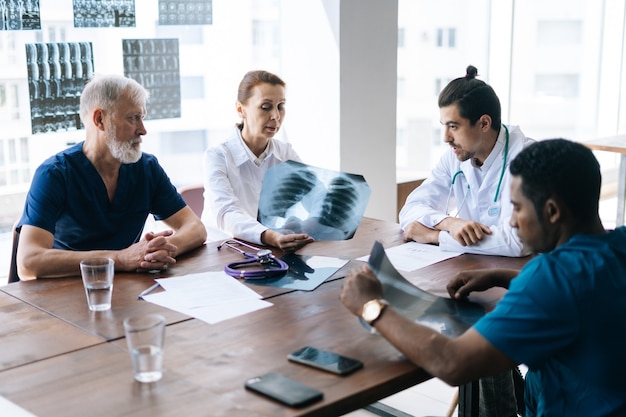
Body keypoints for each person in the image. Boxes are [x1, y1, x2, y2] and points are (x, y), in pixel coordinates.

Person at [341, 139, 626, 416]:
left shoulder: (552, 278)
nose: (512, 221)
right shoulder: (618, 244)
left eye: (517, 207)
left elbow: (453, 363)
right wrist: (504, 276)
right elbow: (582, 292)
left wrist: (372, 305)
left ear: (552, 211)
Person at [16, 74, 207, 280]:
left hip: (127, 289)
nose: (143, 130)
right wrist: (121, 259)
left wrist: (157, 251)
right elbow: (28, 262)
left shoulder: (146, 168)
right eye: (133, 118)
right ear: (100, 120)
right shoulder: (54, 174)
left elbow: (196, 229)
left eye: (142, 118)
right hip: (69, 294)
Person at [399, 65, 533, 257]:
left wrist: (434, 236)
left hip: (522, 275)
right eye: (444, 126)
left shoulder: (527, 159)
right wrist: (450, 223)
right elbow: (410, 209)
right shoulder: (454, 158)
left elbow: (518, 241)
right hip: (474, 267)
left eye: (453, 126)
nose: (445, 138)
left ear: (484, 123)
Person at [201, 70, 314, 251]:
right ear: (240, 109)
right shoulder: (217, 155)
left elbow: (314, 193)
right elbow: (228, 214)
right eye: (265, 107)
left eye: (280, 106)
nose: (276, 116)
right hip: (222, 252)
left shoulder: (285, 153)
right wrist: (270, 236)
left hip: (270, 249)